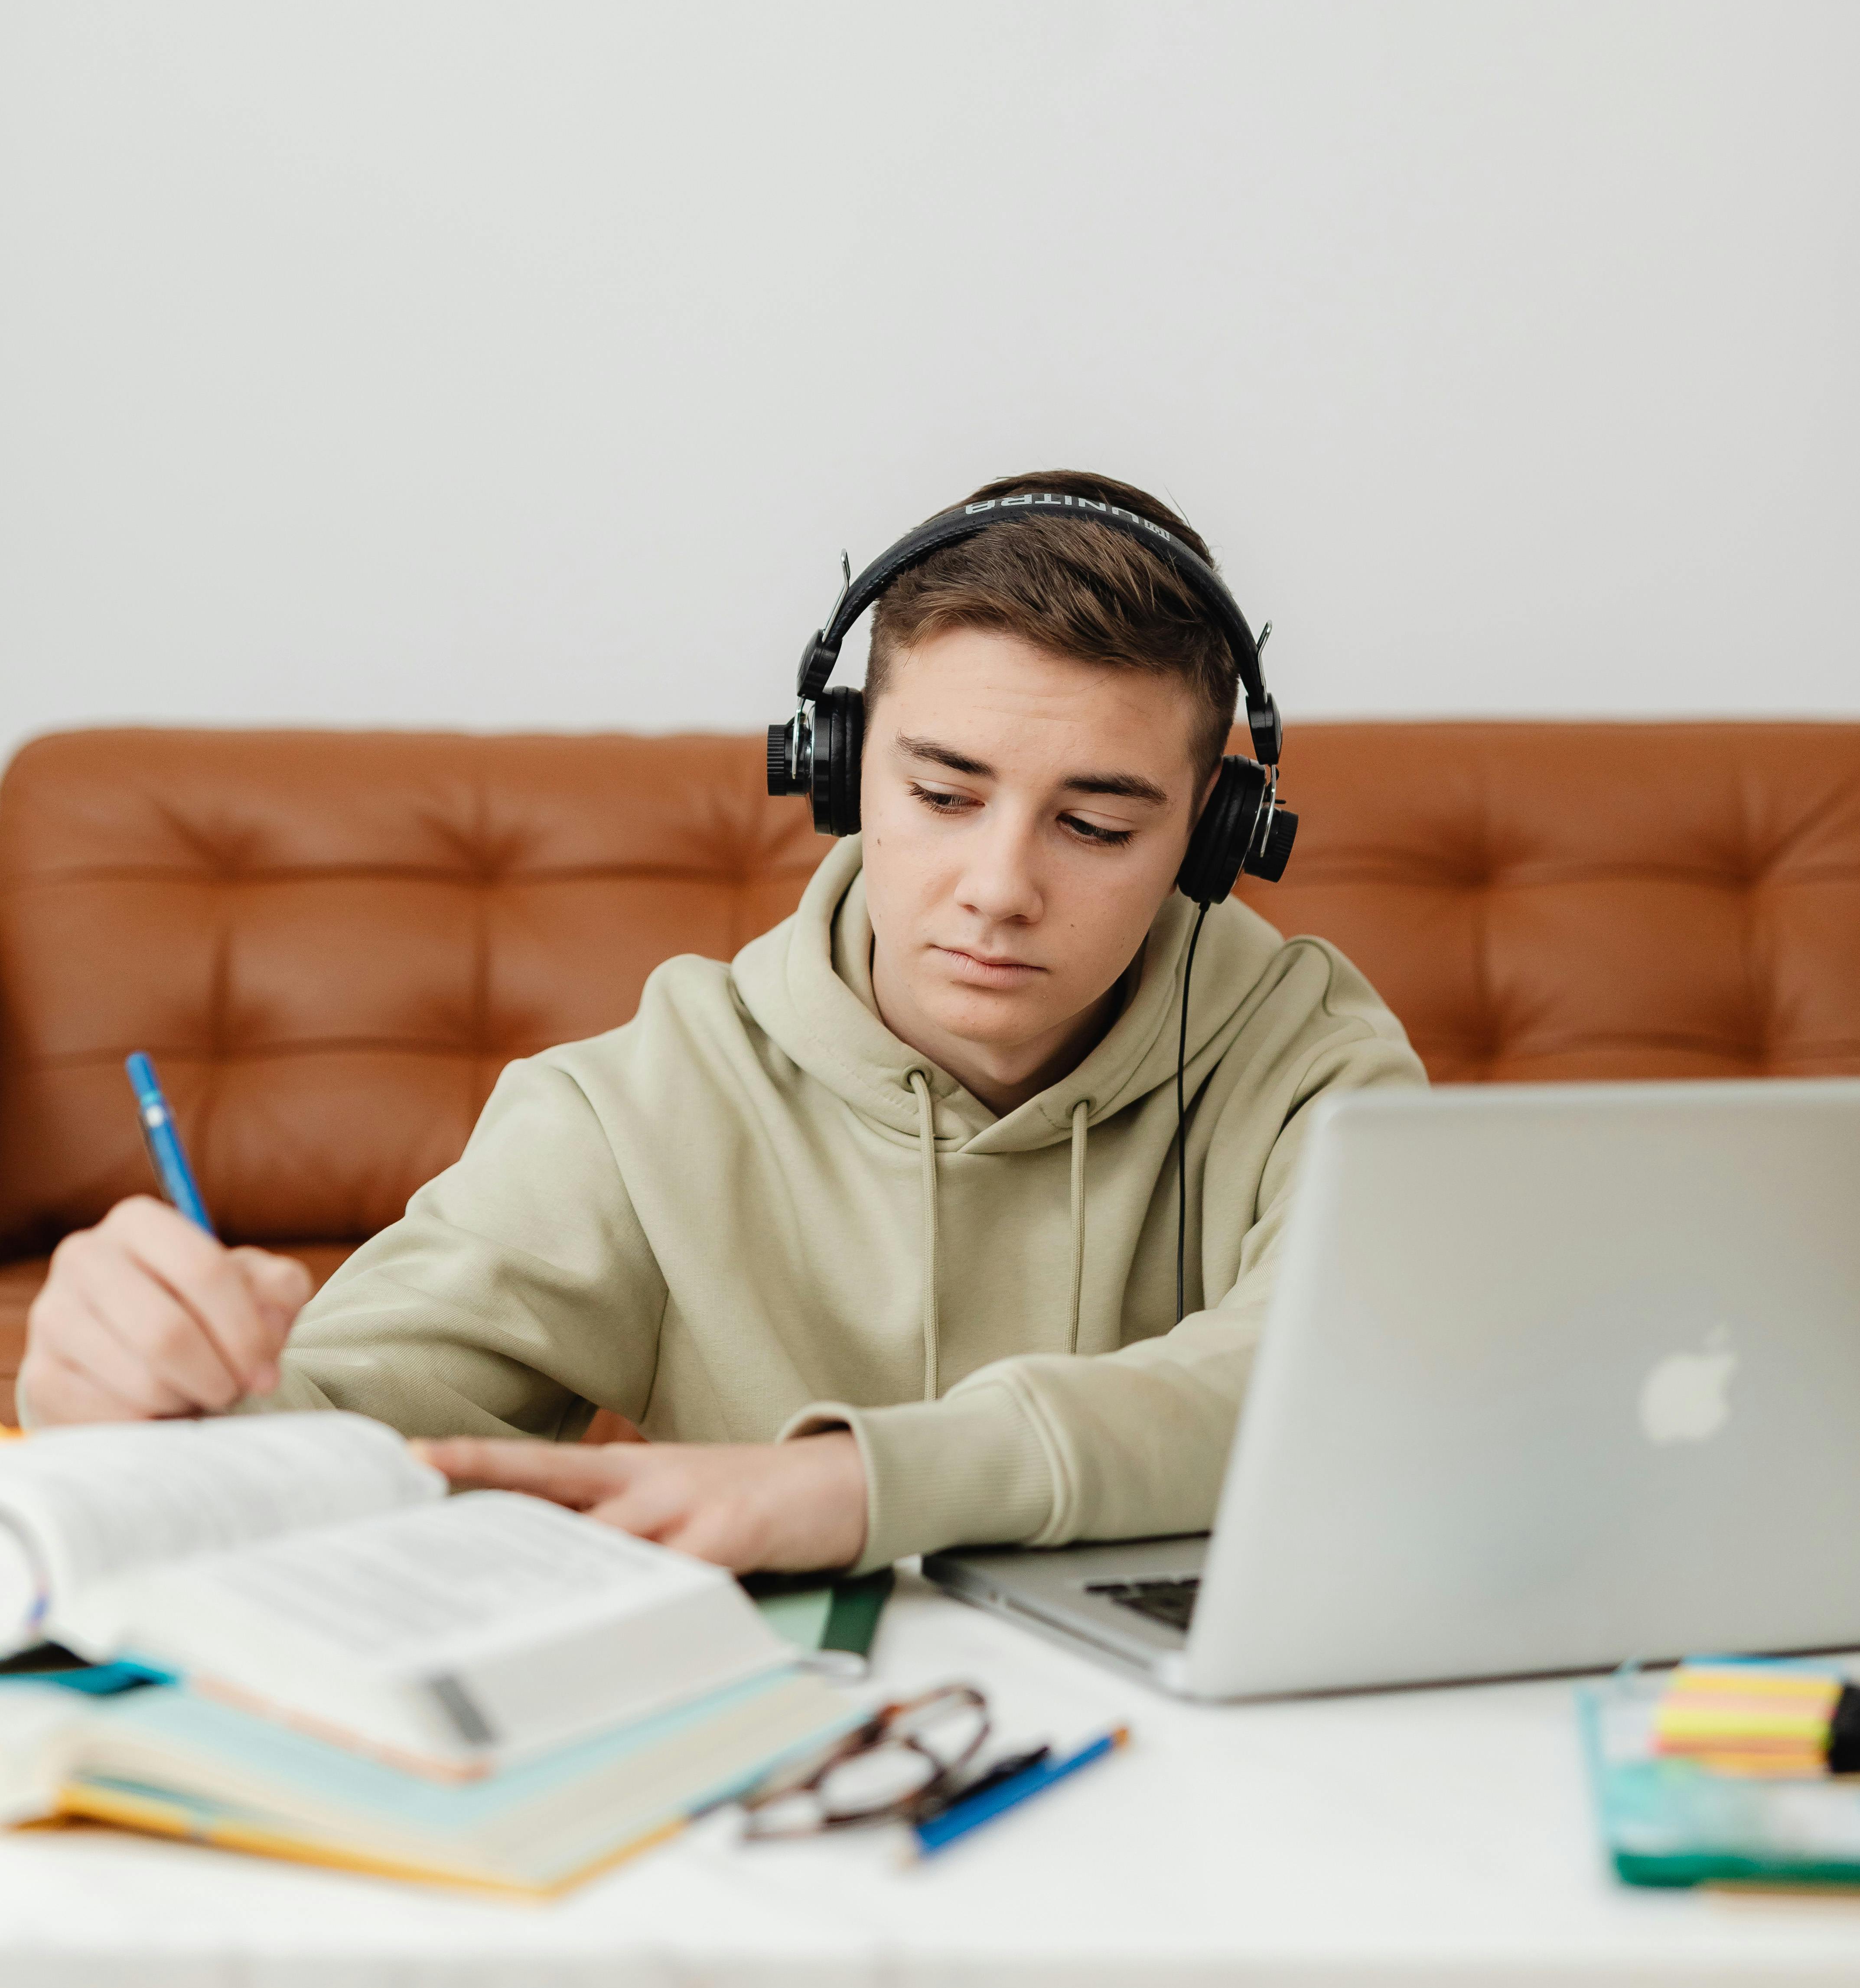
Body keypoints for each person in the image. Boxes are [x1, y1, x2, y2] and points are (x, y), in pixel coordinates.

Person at [20, 472, 1425, 1574]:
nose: (999, 888)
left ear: (1209, 835)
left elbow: (1346, 1368)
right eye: (941, 796)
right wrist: (144, 1410)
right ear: (837, 768)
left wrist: (848, 1483)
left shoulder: (1307, 1052)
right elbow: (348, 1430)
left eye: (1097, 822)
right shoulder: (640, 1106)